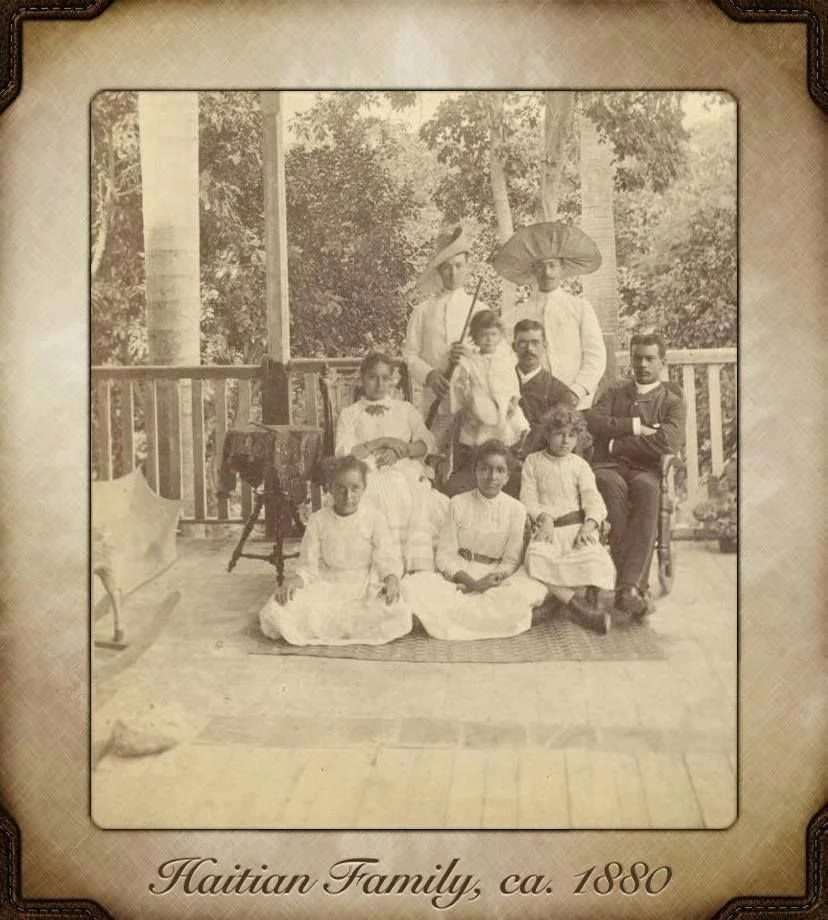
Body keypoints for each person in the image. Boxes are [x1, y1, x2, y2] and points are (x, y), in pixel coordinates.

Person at [259, 455, 412, 646]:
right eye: (341, 489)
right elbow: (308, 566)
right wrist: (293, 582)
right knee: (279, 608)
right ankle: (342, 627)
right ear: (329, 487)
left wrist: (391, 579)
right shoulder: (318, 520)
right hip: (328, 585)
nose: (348, 496)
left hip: (362, 586)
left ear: (364, 488)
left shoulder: (374, 518)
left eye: (355, 488)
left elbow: (386, 559)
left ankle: (347, 625)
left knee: (396, 608)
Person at [404, 440, 548, 640]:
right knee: (414, 585)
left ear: (507, 476)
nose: (492, 477)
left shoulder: (516, 509)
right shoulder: (458, 503)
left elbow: (511, 560)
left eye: (500, 470)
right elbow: (444, 557)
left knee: (526, 590)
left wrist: (490, 581)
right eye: (485, 469)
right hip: (461, 576)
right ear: (475, 471)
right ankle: (497, 621)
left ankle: (451, 620)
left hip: (495, 578)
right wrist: (472, 583)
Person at [586, 332, 686, 617]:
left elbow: (667, 442)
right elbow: (593, 421)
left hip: (646, 471)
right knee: (606, 483)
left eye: (649, 359)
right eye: (637, 358)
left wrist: (616, 442)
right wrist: (634, 426)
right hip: (610, 468)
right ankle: (631, 587)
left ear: (662, 362)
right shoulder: (615, 391)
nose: (642, 364)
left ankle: (628, 587)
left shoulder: (671, 400)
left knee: (648, 490)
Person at [335, 351, 448, 572]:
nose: (379, 384)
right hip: (367, 471)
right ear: (362, 379)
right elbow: (345, 453)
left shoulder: (404, 409)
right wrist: (381, 442)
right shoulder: (351, 413)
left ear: (392, 380)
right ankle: (384, 566)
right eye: (372, 377)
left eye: (385, 378)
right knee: (380, 492)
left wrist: (402, 451)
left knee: (408, 492)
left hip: (404, 468)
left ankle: (411, 564)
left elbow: (427, 443)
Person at [521, 407, 616, 634]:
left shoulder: (579, 465)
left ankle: (557, 602)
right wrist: (543, 518)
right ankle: (580, 610)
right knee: (534, 559)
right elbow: (528, 499)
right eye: (559, 433)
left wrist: (589, 524)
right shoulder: (533, 462)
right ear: (547, 434)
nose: (565, 441)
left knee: (596, 560)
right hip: (548, 529)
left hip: (576, 529)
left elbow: (594, 501)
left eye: (572, 435)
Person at [492, 221, 606, 409]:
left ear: (562, 268)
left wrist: (577, 391)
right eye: (541, 266)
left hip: (574, 403)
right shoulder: (516, 315)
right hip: (530, 405)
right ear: (533, 270)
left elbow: (596, 356)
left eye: (552, 265)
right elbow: (502, 359)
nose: (547, 272)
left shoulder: (580, 308)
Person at [403, 224, 486, 448]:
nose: (453, 273)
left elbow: (493, 354)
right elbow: (410, 354)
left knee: (467, 455)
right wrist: (429, 375)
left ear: (468, 267)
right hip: (435, 398)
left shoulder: (480, 309)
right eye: (447, 267)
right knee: (429, 453)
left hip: (471, 401)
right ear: (439, 270)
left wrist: (469, 353)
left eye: (459, 266)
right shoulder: (423, 311)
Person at [513, 318, 580, 457]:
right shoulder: (501, 382)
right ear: (514, 346)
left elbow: (565, 437)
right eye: (523, 343)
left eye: (535, 343)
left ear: (544, 346)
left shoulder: (560, 392)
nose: (529, 349)